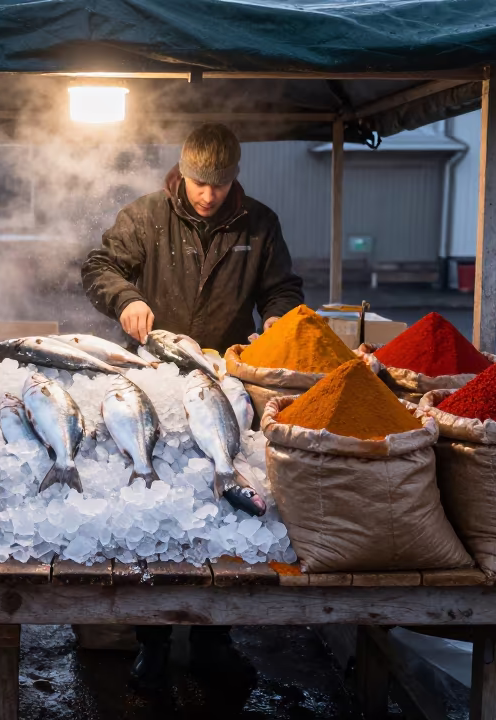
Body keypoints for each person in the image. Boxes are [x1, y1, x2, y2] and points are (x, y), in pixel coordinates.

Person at [80, 123, 304, 690]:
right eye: (200, 183)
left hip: (226, 374)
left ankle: (214, 640)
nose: (208, 194)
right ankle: (150, 640)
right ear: (182, 172)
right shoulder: (146, 216)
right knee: (159, 507)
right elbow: (99, 268)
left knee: (229, 514)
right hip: (154, 376)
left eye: (221, 184)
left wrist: (279, 315)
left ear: (235, 178)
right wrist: (126, 298)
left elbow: (283, 288)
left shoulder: (260, 223)